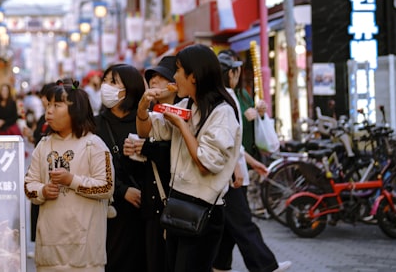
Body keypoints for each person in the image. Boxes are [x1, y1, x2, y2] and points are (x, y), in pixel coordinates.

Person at [136, 44, 241, 272]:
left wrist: (182, 126)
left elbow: (205, 164)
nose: (173, 77)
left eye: (178, 70)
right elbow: (147, 131)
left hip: (203, 210)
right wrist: (144, 107)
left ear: (193, 76)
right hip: (179, 204)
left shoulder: (222, 112)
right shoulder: (186, 105)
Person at [212, 51, 290, 272]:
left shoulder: (231, 95)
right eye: (236, 70)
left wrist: (251, 162)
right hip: (232, 175)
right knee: (243, 224)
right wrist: (241, 165)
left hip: (233, 173)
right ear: (231, 73)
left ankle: (219, 266)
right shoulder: (228, 96)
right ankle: (266, 266)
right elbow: (231, 140)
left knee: (231, 226)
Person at [24, 81, 113, 272]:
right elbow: (28, 185)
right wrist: (42, 190)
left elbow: (106, 186)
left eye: (57, 105)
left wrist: (71, 180)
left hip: (85, 254)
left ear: (76, 110)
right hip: (49, 251)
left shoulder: (94, 145)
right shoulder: (44, 145)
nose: (49, 111)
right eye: (48, 105)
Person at [123, 54, 178, 272]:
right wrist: (136, 151)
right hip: (153, 206)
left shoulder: (188, 112)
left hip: (177, 205)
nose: (153, 81)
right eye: (151, 77)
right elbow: (144, 133)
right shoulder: (155, 115)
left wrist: (147, 149)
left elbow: (178, 156)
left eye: (160, 77)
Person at [96, 63, 148, 272]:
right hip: (109, 210)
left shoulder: (145, 121)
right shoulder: (95, 124)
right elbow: (91, 167)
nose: (105, 86)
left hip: (143, 209)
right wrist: (122, 190)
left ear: (131, 88)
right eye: (105, 80)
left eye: (113, 82)